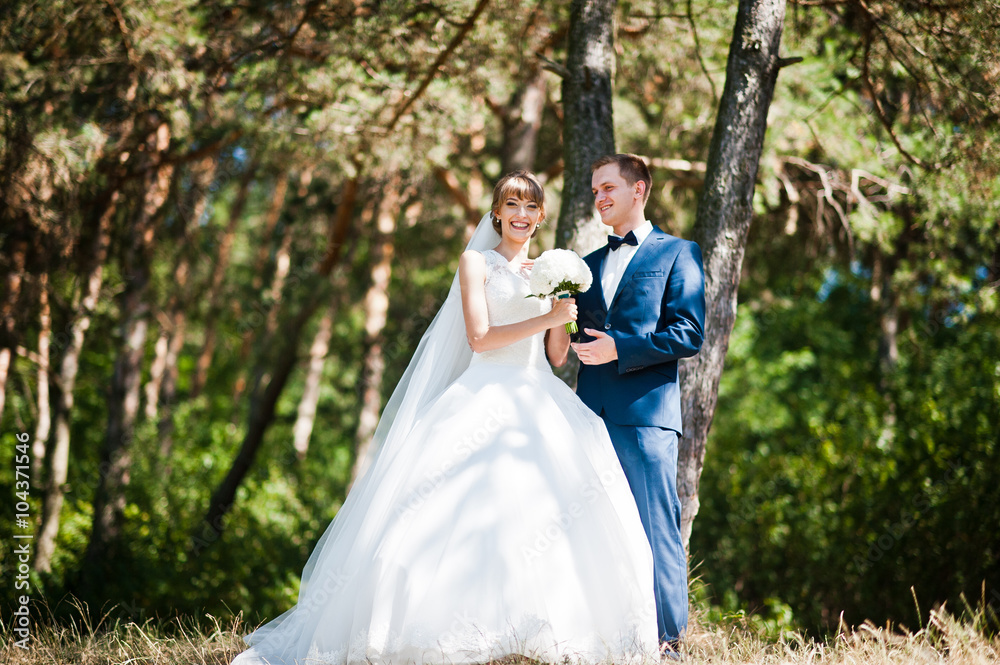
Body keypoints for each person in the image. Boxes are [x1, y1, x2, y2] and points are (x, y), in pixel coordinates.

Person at [230, 170, 659, 665]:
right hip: (484, 390)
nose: (521, 215)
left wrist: (565, 312)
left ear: (541, 216)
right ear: (497, 213)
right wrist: (543, 318)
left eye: (530, 207)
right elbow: (479, 337)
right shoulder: (476, 263)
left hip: (538, 394)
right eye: (511, 206)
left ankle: (535, 630)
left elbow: (556, 357)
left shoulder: (549, 268)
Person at [571, 154, 706, 653]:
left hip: (646, 419)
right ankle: (604, 641)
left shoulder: (678, 253)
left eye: (609, 187)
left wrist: (620, 348)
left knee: (656, 530)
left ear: (639, 190)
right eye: (595, 191)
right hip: (586, 417)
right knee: (594, 531)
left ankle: (669, 645)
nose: (600, 198)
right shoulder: (583, 268)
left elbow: (689, 333)